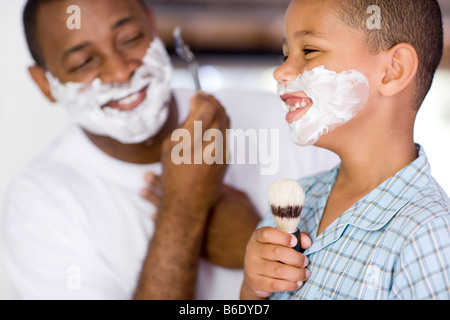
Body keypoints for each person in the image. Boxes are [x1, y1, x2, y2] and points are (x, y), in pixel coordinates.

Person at [2, 0, 338, 300]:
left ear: (151, 23)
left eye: (131, 39)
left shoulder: (286, 121)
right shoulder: (39, 205)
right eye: (84, 62)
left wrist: (252, 243)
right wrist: (184, 210)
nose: (121, 71)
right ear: (45, 83)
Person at [241, 0, 450, 300]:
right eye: (286, 54)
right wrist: (252, 289)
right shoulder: (298, 200)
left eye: (309, 51)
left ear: (392, 70)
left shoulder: (429, 234)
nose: (281, 71)